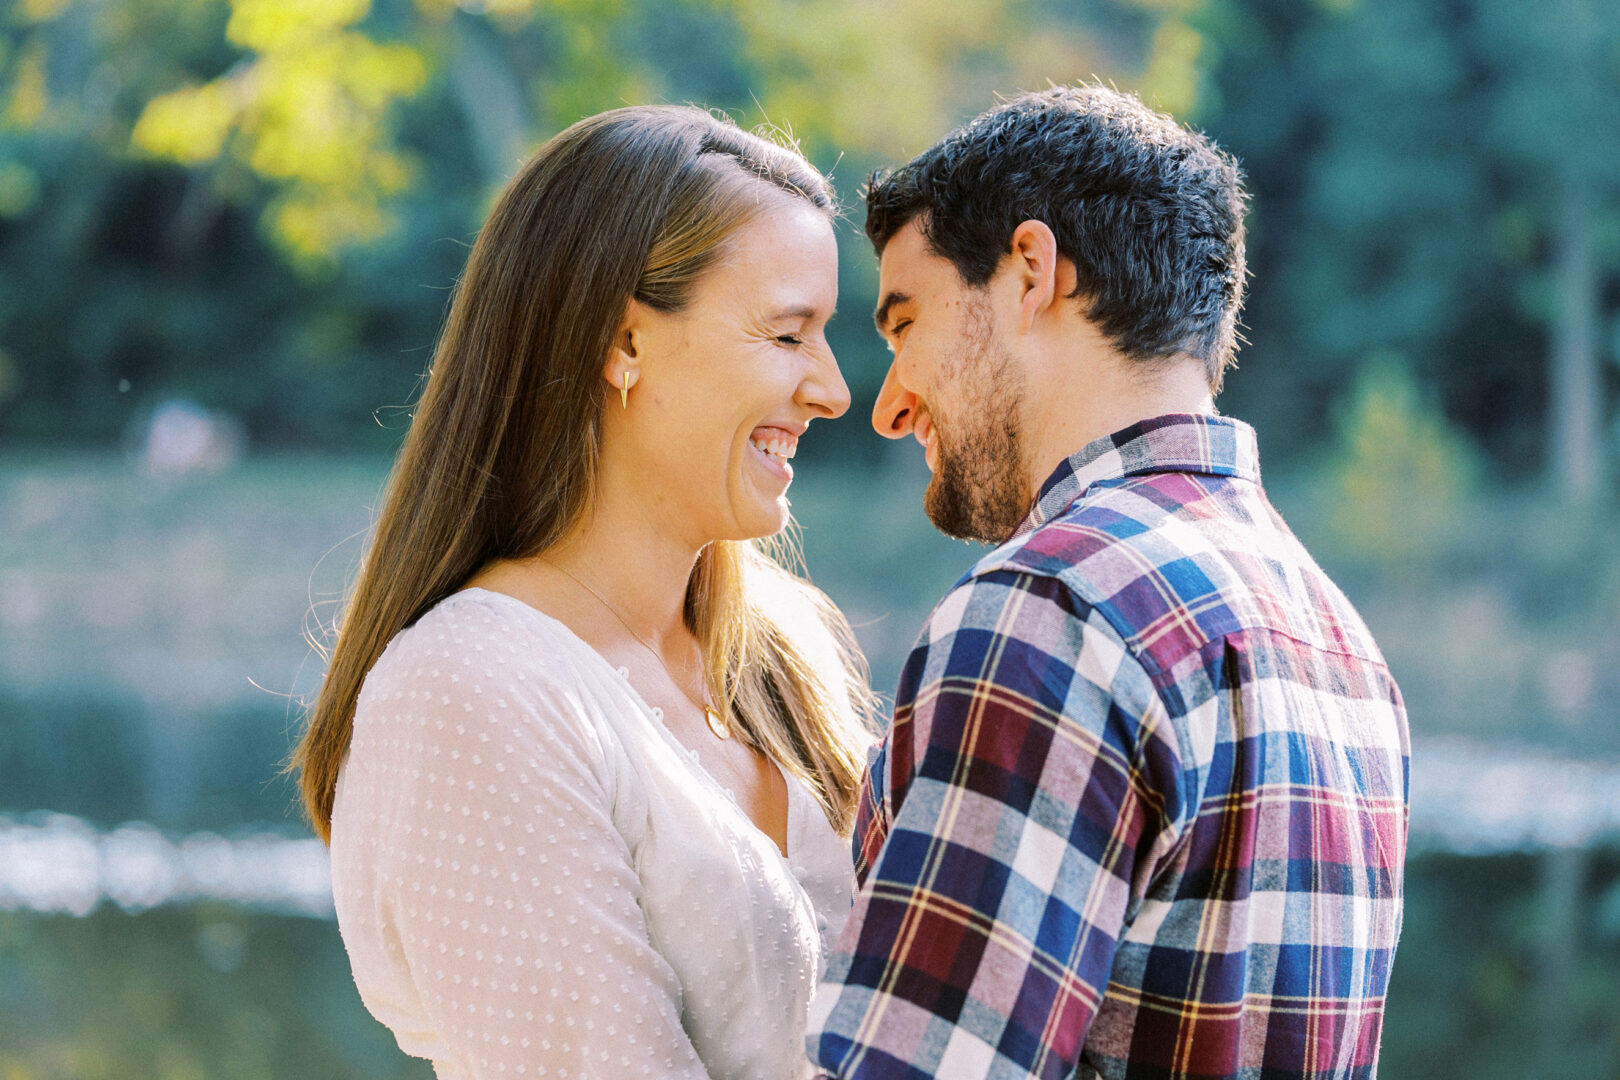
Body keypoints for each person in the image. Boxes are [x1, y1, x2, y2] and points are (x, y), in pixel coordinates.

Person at [807, 85, 1410, 1079]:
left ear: (1030, 272)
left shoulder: (1050, 612)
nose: (891, 403)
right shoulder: (1342, 649)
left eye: (905, 323)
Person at [292, 105, 880, 1080]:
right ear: (623, 342)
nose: (832, 389)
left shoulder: (781, 653)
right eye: (787, 334)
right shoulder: (474, 690)